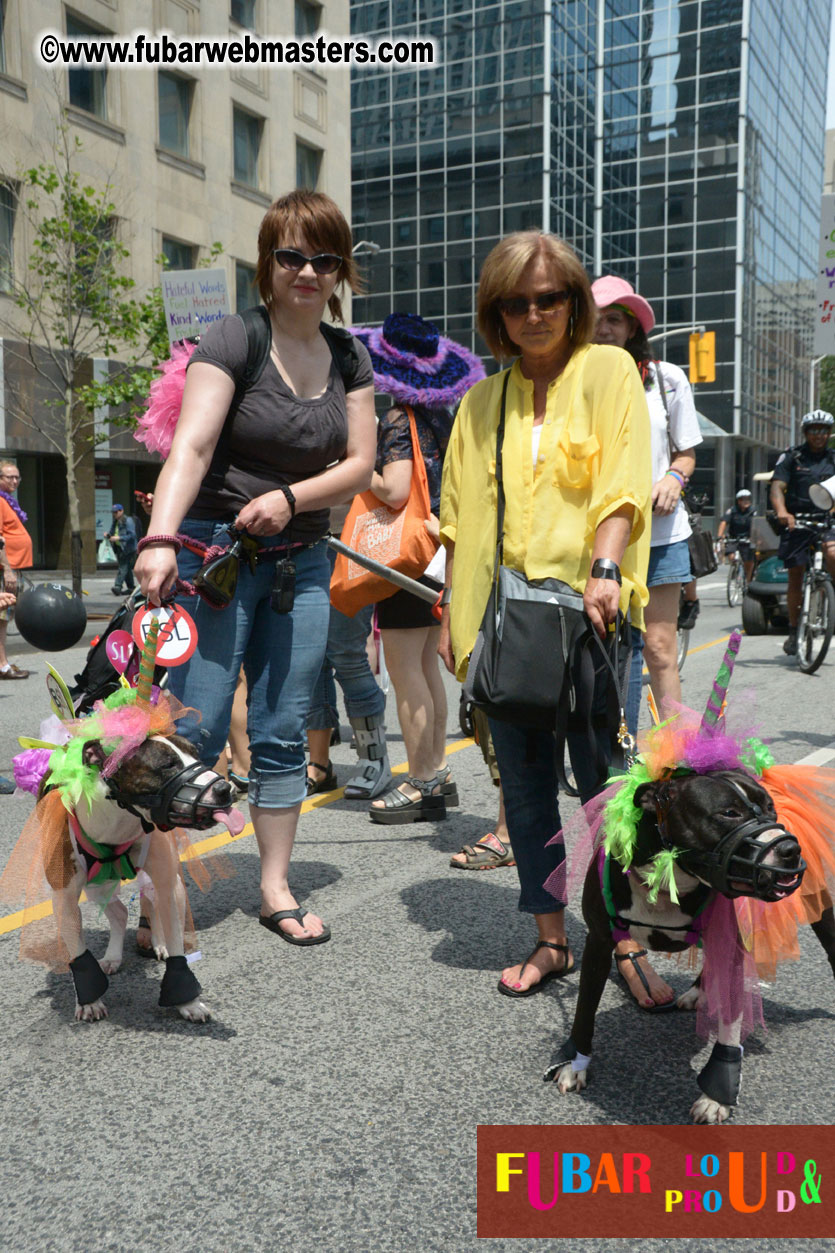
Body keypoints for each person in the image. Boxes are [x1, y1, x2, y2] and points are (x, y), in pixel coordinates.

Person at [134, 189, 376, 945]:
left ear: (339, 271)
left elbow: (362, 463)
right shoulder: (233, 338)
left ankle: (273, 883)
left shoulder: (348, 354)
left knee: (280, 727)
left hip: (300, 558)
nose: (307, 270)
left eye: (323, 258)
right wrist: (159, 538)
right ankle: (159, 896)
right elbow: (192, 450)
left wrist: (289, 497)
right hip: (218, 554)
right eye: (291, 255)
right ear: (267, 261)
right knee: (196, 727)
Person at [439, 232, 651, 995]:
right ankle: (550, 937)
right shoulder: (480, 400)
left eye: (549, 298)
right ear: (496, 313)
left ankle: (621, 939)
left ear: (573, 300)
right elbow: (456, 519)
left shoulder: (607, 370)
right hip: (507, 623)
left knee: (603, 785)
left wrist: (604, 564)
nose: (534, 314)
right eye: (515, 302)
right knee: (525, 789)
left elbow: (622, 478)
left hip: (590, 611)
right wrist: (450, 616)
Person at [592, 276, 703, 1010]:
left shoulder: (664, 378)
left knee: (658, 649)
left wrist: (669, 475)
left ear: (636, 325)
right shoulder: (574, 379)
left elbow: (688, 452)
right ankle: (614, 752)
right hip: (603, 537)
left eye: (617, 319)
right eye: (595, 319)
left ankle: (672, 765)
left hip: (660, 538)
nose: (606, 329)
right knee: (612, 656)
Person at [349, 312, 485, 823]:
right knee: (428, 667)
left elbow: (396, 489)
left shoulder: (395, 421)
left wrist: (362, 470)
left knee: (408, 673)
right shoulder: (442, 420)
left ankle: (421, 778)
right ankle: (436, 773)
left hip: (407, 558)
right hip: (440, 554)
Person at [304, 511, 392, 800]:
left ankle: (373, 759)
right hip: (303, 541)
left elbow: (395, 489)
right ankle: (318, 765)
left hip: (352, 540)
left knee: (347, 656)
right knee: (311, 660)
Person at [770, 409, 835, 656]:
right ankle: (793, 628)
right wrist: (782, 512)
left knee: (833, 553)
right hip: (797, 522)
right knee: (795, 575)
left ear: (829, 433)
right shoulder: (792, 457)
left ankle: (831, 597)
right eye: (814, 430)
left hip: (827, 521)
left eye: (824, 431)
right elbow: (777, 487)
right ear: (806, 432)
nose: (819, 435)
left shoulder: (833, 458)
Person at [0, 461, 33, 681]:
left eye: (17, 478)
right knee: (1, 618)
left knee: (4, 618)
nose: (14, 481)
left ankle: (3, 661)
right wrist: (8, 570)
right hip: (5, 569)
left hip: (13, 567)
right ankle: (2, 665)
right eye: (9, 477)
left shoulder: (8, 501)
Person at [717, 488, 756, 584]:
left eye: (748, 499)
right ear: (738, 501)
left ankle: (748, 580)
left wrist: (756, 537)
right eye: (743, 499)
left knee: (748, 561)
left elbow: (758, 524)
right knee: (731, 556)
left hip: (748, 538)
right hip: (734, 537)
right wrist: (720, 536)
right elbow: (724, 522)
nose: (746, 501)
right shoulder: (732, 511)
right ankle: (736, 568)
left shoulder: (753, 511)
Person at [105, 503, 139, 596]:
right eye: (113, 512)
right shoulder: (115, 521)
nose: (114, 514)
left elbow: (132, 535)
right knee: (126, 568)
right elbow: (112, 532)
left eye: (116, 512)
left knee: (123, 567)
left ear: (121, 511)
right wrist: (108, 535)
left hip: (128, 548)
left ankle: (118, 587)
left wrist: (119, 538)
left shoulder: (128, 521)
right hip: (119, 548)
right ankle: (131, 587)